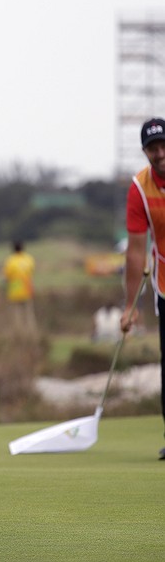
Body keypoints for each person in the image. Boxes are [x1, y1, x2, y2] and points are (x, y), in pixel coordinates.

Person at [121, 117, 165, 460]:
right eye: (154, 148)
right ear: (145, 151)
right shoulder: (140, 187)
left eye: (164, 145)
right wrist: (130, 305)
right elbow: (136, 249)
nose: (161, 153)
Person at [3, 240, 37, 337]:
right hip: (27, 289)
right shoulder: (29, 259)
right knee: (29, 314)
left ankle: (19, 334)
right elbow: (32, 272)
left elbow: (7, 276)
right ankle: (32, 333)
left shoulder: (10, 260)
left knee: (17, 315)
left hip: (15, 290)